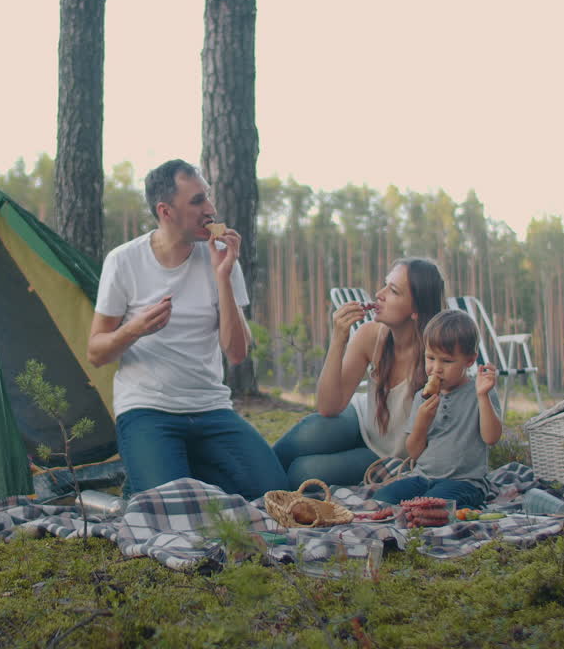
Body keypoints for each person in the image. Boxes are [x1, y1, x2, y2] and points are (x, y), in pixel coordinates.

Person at [87, 159, 287, 499]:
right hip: (148, 409)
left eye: (207, 197)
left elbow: (236, 353)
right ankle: (157, 470)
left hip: (210, 407)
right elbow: (96, 352)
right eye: (197, 201)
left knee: (274, 495)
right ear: (166, 211)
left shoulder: (222, 257)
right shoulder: (123, 261)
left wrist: (222, 276)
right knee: (172, 510)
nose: (210, 209)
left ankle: (166, 470)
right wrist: (133, 330)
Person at [272, 259, 445, 487]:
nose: (379, 294)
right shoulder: (370, 335)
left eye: (393, 291)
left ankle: (269, 488)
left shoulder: (438, 357)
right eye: (385, 285)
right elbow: (328, 406)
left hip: (387, 453)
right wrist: (338, 340)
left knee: (304, 472)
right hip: (362, 419)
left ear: (416, 309)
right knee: (306, 434)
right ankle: (247, 480)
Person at [372, 309, 503, 508]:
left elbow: (491, 438)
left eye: (447, 361)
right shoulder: (422, 397)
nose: (436, 368)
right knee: (382, 499)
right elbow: (414, 452)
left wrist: (483, 396)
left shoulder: (479, 392)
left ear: (469, 360)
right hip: (423, 477)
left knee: (433, 505)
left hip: (465, 483)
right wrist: (422, 423)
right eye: (431, 358)